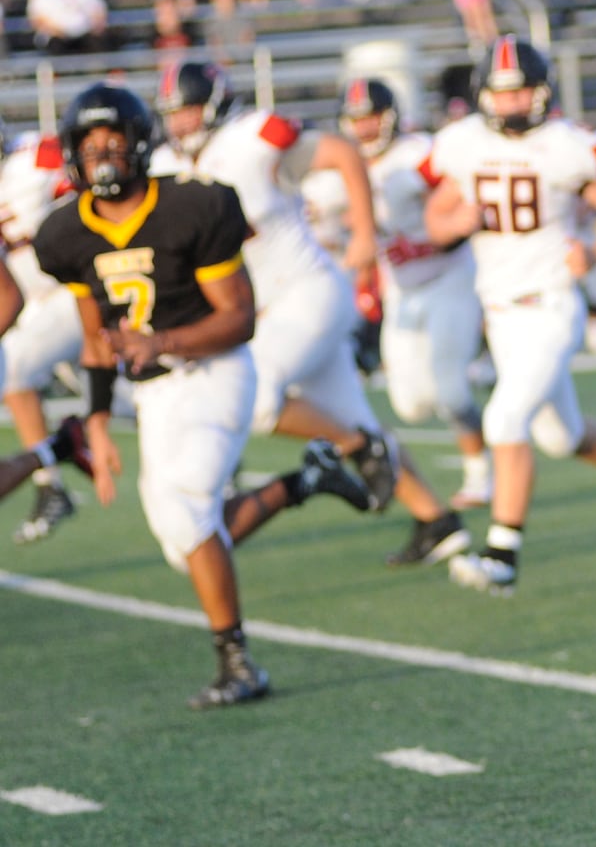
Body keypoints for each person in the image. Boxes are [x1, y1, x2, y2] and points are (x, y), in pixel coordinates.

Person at [33, 83, 375, 709]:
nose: (102, 155)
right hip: (152, 395)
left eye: (113, 141)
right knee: (181, 543)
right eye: (89, 143)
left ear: (140, 144)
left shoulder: (193, 207)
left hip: (218, 373)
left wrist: (160, 340)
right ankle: (304, 482)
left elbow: (238, 318)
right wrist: (100, 419)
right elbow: (95, 337)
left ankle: (238, 661)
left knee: (188, 507)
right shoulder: (64, 234)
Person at [150, 62, 464, 567]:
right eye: (173, 113)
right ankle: (437, 520)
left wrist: (363, 231)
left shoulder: (252, 137)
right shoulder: (164, 163)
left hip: (306, 292)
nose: (181, 123)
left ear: (213, 104)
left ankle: (358, 447)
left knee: (257, 399)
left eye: (188, 109)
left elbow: (341, 153)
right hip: (267, 308)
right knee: (352, 417)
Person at [423, 35, 596, 595]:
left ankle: (501, 558)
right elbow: (436, 219)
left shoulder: (566, 145)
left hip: (552, 304)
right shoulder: (460, 144)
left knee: (504, 421)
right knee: (562, 437)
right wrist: (453, 226)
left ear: (541, 92)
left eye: (521, 92)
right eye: (501, 93)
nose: (510, 104)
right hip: (500, 313)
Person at [338, 78, 491, 530]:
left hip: (448, 276)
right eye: (357, 119)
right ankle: (478, 381)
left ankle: (481, 471)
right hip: (400, 286)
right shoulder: (344, 169)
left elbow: (462, 191)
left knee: (449, 390)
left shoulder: (419, 155)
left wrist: (450, 224)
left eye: (372, 117)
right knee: (409, 404)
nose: (365, 128)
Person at [0, 129, 83, 542]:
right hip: (36, 304)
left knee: (14, 370)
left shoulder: (33, 158)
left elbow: (88, 172)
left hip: (70, 290)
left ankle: (51, 483)